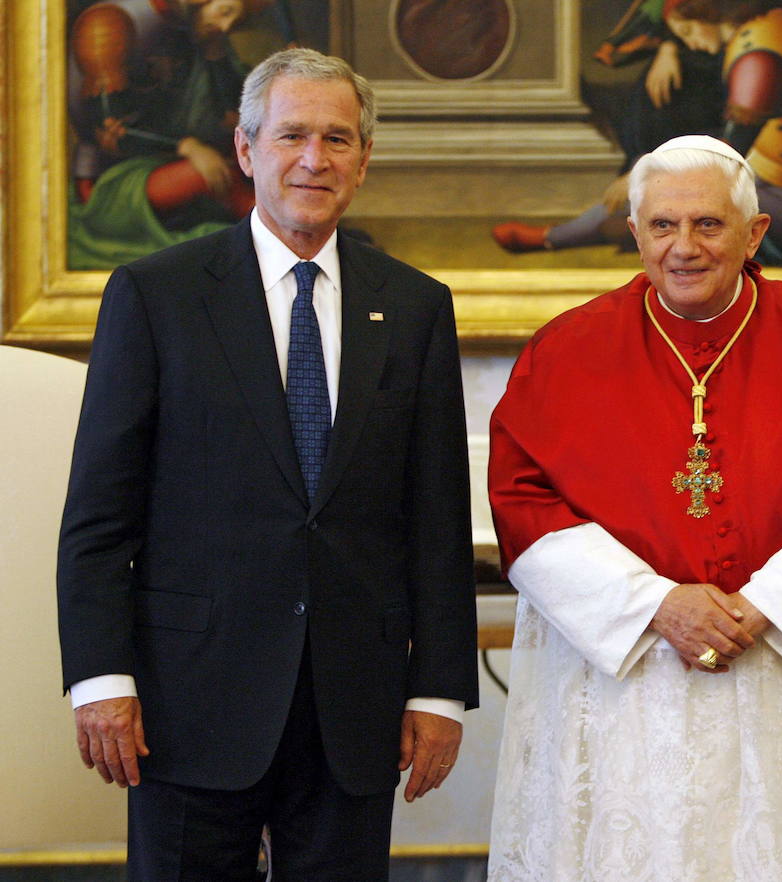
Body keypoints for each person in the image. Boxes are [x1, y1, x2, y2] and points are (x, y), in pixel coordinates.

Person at [485, 135, 782, 881]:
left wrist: (762, 607)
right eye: (663, 226)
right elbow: (522, 497)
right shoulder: (567, 349)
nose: (684, 247)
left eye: (708, 224)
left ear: (754, 233)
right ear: (635, 232)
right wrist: (657, 604)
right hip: (631, 694)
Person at [57, 48, 478, 880]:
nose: (314, 159)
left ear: (364, 160)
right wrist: (100, 677)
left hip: (353, 711)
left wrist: (436, 692)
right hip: (187, 702)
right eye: (291, 136)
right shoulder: (156, 294)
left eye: (337, 138)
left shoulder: (417, 305)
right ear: (247, 151)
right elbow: (101, 515)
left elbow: (435, 518)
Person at [492, 0, 782, 266]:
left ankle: (551, 238)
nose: (691, 44)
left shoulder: (758, 57)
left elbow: (729, 152)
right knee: (654, 188)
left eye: (686, 33)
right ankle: (556, 236)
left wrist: (645, 172)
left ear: (706, 14)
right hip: (776, 180)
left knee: (656, 193)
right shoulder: (767, 27)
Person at [67, 0, 270, 269]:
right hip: (109, 183)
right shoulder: (108, 24)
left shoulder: (196, 31)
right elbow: (112, 133)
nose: (225, 27)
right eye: (225, 12)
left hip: (167, 165)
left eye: (234, 23)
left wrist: (215, 55)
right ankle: (279, 231)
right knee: (213, 175)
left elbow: (233, 115)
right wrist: (188, 147)